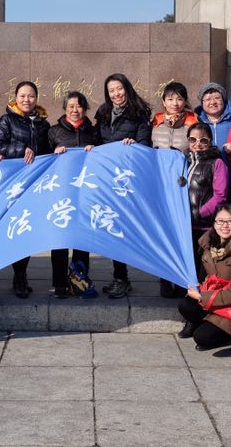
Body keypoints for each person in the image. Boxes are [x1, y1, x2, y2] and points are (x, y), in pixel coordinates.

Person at [93, 73, 152, 299]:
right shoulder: (103, 113)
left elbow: (145, 144)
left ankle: (123, 278)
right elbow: (97, 141)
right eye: (111, 91)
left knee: (123, 230)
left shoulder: (139, 113)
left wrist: (134, 144)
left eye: (119, 89)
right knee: (112, 227)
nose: (116, 94)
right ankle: (120, 277)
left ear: (127, 88)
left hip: (126, 180)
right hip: (107, 178)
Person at [0, 80, 51, 298]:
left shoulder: (44, 124)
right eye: (22, 96)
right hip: (15, 183)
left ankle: (22, 274)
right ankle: (18, 275)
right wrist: (21, 149)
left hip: (35, 183)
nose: (27, 100)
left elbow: (48, 150)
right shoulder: (7, 120)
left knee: (28, 229)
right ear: (15, 97)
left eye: (31, 96)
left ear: (36, 98)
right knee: (17, 228)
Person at [178, 204, 231, 353]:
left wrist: (202, 296)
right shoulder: (208, 245)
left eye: (230, 221)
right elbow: (203, 278)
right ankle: (205, 322)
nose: (224, 225)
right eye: (220, 221)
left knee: (202, 337)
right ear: (214, 223)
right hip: (215, 299)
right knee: (186, 304)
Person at [47, 91, 99, 298]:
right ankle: (59, 283)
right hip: (61, 193)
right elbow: (43, 158)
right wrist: (54, 153)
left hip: (85, 193)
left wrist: (96, 150)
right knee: (60, 239)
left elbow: (103, 157)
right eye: (71, 106)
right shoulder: (53, 131)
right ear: (64, 109)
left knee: (82, 240)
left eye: (79, 106)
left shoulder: (93, 132)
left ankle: (79, 280)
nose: (75, 110)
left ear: (85, 109)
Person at [182, 123, 230, 285]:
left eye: (203, 140)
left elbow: (220, 196)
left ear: (210, 141)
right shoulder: (182, 161)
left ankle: (202, 296)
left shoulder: (217, 163)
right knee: (187, 267)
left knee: (202, 268)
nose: (197, 144)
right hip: (183, 225)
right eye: (193, 139)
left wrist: (199, 213)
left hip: (204, 227)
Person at [193, 81, 231, 168]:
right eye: (208, 99)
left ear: (224, 100)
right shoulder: (196, 121)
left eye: (217, 98)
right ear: (202, 103)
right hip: (205, 172)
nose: (213, 102)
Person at [151, 81, 197, 152]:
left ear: (185, 102)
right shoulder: (155, 122)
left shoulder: (194, 122)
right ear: (164, 102)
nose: (175, 103)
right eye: (170, 99)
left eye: (179, 99)